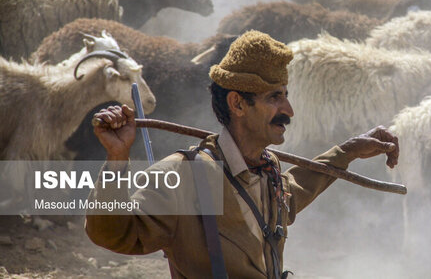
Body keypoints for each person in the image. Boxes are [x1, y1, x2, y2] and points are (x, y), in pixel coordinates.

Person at [85, 30, 400, 278]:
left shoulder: (268, 169)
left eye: (286, 96)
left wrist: (348, 152)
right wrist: (117, 158)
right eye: (274, 98)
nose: (288, 110)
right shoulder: (184, 174)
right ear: (237, 104)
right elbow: (113, 233)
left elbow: (291, 194)